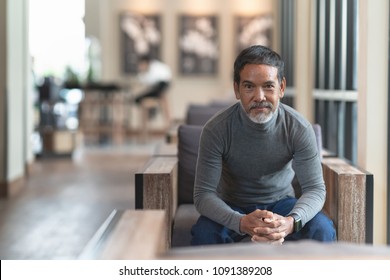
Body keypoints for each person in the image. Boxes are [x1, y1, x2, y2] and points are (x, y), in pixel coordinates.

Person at [191, 45, 336, 246]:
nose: (259, 97)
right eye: (249, 86)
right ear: (236, 89)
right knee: (204, 234)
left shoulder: (299, 128)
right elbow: (203, 195)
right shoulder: (216, 129)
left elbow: (315, 189)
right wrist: (240, 222)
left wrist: (291, 222)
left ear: (281, 88)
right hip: (233, 205)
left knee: (323, 229)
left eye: (268, 86)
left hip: (283, 204)